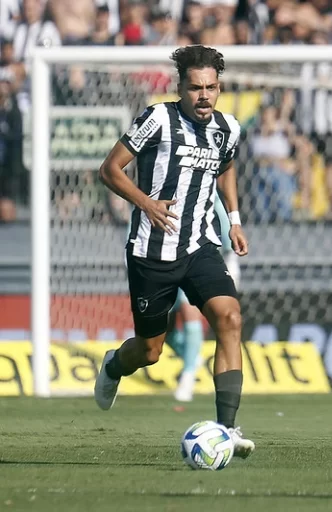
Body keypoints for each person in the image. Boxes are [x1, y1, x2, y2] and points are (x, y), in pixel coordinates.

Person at [95, 44, 254, 459]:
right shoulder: (157, 119)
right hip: (151, 250)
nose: (204, 96)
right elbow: (110, 169)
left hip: (200, 246)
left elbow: (227, 166)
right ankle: (114, 365)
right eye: (196, 88)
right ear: (180, 88)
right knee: (149, 352)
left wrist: (233, 218)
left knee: (230, 317)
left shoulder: (228, 128)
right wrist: (146, 203)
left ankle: (227, 429)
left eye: (212, 87)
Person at [164, 192, 241, 403]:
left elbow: (219, 207)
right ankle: (190, 357)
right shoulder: (157, 174)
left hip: (197, 254)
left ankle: (188, 376)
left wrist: (230, 254)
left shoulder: (201, 177)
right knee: (158, 332)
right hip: (159, 256)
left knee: (189, 309)